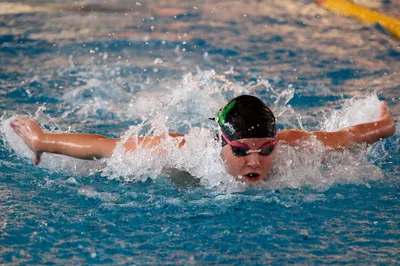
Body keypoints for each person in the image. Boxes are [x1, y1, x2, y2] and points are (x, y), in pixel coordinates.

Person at [10, 95, 396, 182]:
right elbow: (105, 147)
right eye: (242, 151)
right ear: (222, 145)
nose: (255, 162)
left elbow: (352, 135)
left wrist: (384, 122)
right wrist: (41, 139)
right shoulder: (187, 153)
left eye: (266, 150)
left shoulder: (296, 146)